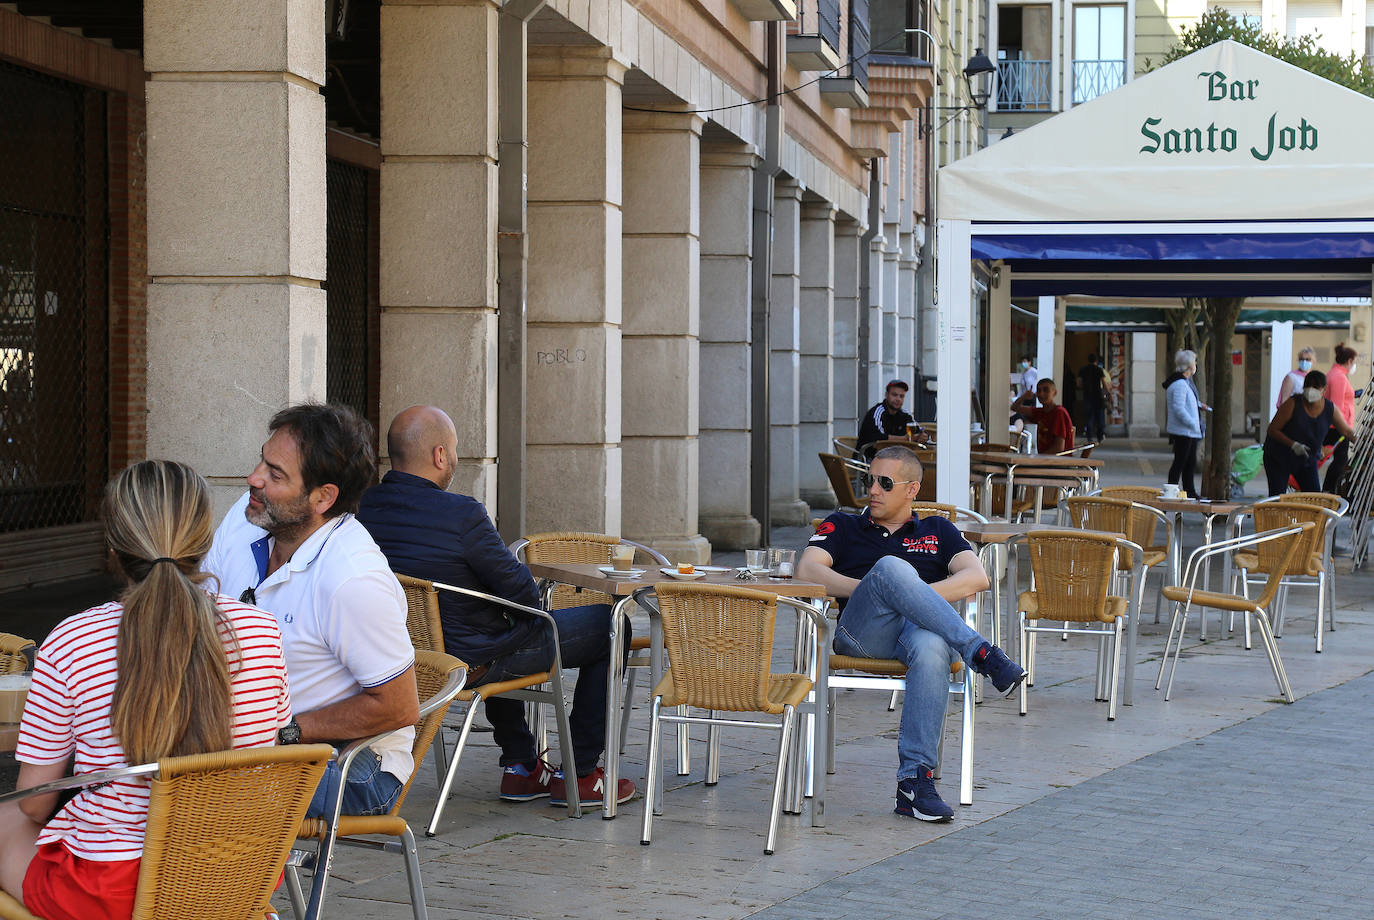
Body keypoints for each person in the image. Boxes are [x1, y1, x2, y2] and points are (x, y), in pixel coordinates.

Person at [1, 460, 291, 920]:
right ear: (204, 540)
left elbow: (36, 803)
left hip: (112, 890)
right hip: (236, 873)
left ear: (113, 547)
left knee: (6, 816)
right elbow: (267, 747)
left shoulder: (73, 641)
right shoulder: (260, 629)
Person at [356, 406, 634, 806]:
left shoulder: (363, 509)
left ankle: (521, 766)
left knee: (498, 630)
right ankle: (581, 773)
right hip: (470, 662)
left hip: (401, 660)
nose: (453, 459)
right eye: (452, 451)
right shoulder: (461, 514)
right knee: (612, 625)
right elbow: (523, 592)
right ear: (439, 456)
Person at [204, 403, 419, 819]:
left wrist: (282, 732)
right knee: (98, 756)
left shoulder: (352, 579)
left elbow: (398, 706)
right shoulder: (248, 516)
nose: (254, 478)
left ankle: (222, 883)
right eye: (261, 461)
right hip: (243, 741)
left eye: (276, 474)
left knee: (188, 788)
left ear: (324, 497)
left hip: (350, 765)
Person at [797, 445, 1025, 822]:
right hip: (862, 633)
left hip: (918, 636)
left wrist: (910, 597)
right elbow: (806, 571)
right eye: (868, 480)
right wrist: (879, 587)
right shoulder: (844, 524)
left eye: (885, 483)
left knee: (934, 645)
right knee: (889, 568)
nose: (873, 490)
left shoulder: (938, 529)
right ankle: (981, 652)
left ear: (912, 489)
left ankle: (914, 783)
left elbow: (977, 577)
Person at [1263, 370, 1356, 495]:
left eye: (1316, 387)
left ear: (1324, 389)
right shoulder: (1292, 404)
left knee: (1313, 497)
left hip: (1306, 458)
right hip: (1279, 457)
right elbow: (1272, 430)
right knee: (1277, 497)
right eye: (1308, 386)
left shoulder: (1330, 409)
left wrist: (1361, 441)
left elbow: (1347, 431)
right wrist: (1293, 444)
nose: (1311, 389)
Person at [1163, 349, 1210, 499]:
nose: (1196, 365)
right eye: (1194, 362)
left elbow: (1184, 402)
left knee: (1189, 462)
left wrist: (1197, 404)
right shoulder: (1180, 384)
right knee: (1180, 462)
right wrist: (1192, 424)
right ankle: (1171, 492)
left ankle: (1189, 491)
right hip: (1184, 431)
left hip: (1188, 431)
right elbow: (1178, 408)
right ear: (1190, 367)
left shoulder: (1184, 383)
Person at [858, 380, 928, 459]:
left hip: (895, 460)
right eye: (894, 395)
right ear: (886, 395)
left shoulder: (905, 415)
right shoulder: (877, 413)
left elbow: (918, 431)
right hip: (869, 460)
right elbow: (878, 439)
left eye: (901, 396)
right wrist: (905, 439)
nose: (898, 399)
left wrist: (923, 436)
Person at [1323, 343, 1358, 493]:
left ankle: (1329, 491)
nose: (1354, 365)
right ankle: (1328, 491)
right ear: (1349, 361)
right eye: (1354, 362)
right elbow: (1335, 406)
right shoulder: (1338, 377)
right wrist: (1345, 430)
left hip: (1337, 426)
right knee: (1340, 461)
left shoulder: (1336, 374)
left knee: (1338, 460)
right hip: (1338, 427)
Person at [1011, 378, 1075, 454]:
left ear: (1054, 393)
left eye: (1046, 390)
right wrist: (1024, 396)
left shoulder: (1059, 412)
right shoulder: (1040, 412)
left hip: (1059, 462)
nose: (1041, 394)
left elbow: (1058, 449)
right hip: (1045, 460)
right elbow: (1014, 408)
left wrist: (1037, 459)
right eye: (1039, 390)